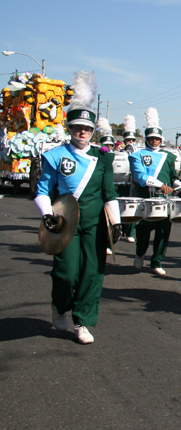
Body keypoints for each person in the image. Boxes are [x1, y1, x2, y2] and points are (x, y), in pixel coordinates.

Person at [33, 71, 122, 345]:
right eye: (76, 128)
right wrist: (47, 215)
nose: (82, 132)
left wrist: (116, 222)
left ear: (93, 131)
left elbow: (109, 194)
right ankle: (60, 306)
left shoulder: (103, 158)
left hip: (94, 225)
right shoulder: (55, 156)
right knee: (66, 272)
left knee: (92, 274)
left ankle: (83, 321)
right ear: (69, 129)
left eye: (86, 129)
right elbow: (42, 191)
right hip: (64, 224)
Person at [129, 108, 181, 276]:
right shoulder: (137, 155)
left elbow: (173, 177)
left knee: (163, 231)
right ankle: (140, 253)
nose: (154, 141)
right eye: (151, 138)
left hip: (165, 199)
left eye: (157, 139)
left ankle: (156, 262)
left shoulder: (168, 156)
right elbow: (140, 177)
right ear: (146, 139)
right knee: (144, 231)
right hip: (146, 198)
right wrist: (161, 185)